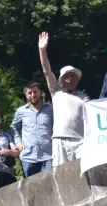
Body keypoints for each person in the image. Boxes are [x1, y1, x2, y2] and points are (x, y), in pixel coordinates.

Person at [38, 31, 91, 165]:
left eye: (73, 76)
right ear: (62, 80)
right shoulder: (56, 92)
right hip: (60, 139)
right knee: (61, 175)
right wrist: (42, 50)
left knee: (84, 169)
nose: (70, 78)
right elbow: (46, 71)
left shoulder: (83, 97)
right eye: (66, 76)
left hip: (80, 140)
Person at [11, 82, 53, 177]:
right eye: (30, 93)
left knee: (49, 184)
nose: (33, 95)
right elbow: (14, 128)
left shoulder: (51, 109)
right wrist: (18, 142)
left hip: (48, 155)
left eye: (35, 92)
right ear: (26, 95)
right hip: (28, 157)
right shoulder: (21, 111)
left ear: (40, 92)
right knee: (30, 189)